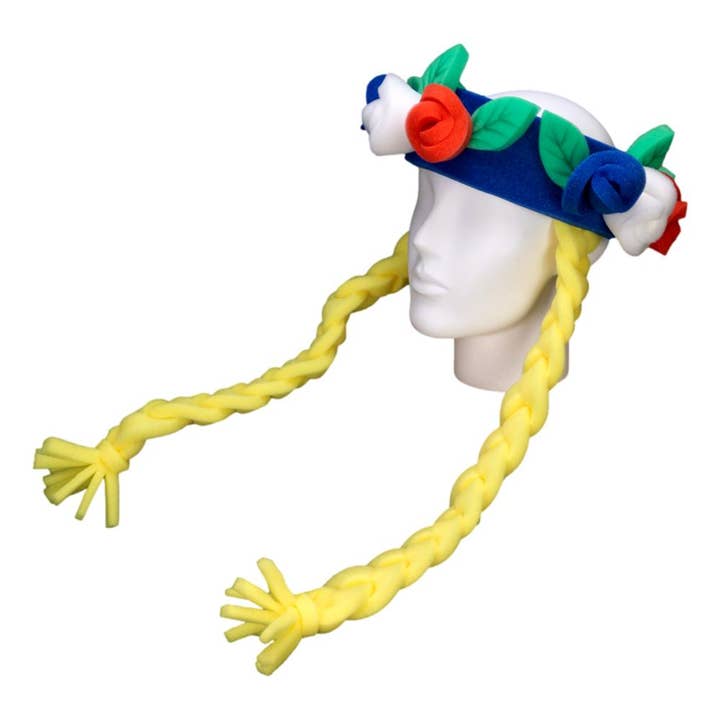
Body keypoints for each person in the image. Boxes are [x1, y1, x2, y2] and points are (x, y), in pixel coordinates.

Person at [33, 44, 686, 675]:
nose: (426, 240)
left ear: (576, 251)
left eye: (478, 223)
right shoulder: (436, 251)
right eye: (426, 202)